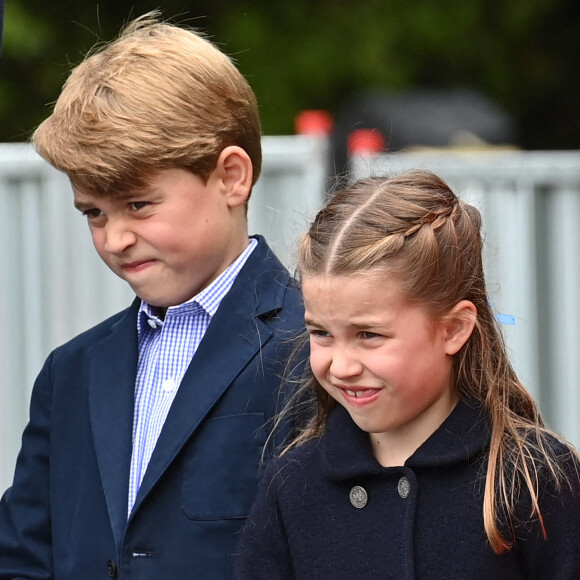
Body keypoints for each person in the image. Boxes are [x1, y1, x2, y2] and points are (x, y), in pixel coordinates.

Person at [0, 13, 305, 580]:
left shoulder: (316, 352)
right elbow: (22, 559)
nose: (114, 238)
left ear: (232, 177)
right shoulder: (70, 374)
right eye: (93, 212)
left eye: (139, 205)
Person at [235, 170, 580, 579]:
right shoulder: (291, 487)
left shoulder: (533, 478)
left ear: (452, 330)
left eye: (369, 335)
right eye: (321, 333)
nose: (341, 366)